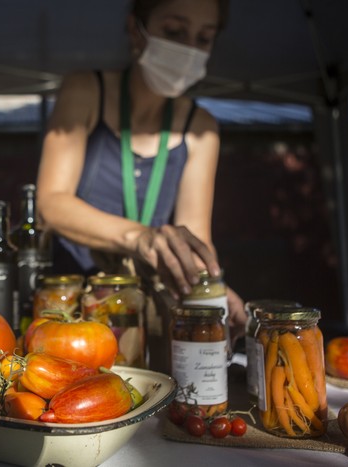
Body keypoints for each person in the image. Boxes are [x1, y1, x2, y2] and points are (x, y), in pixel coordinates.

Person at [35, 0, 246, 356]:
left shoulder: (201, 127)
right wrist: (139, 237)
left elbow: (196, 238)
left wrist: (212, 284)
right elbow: (50, 204)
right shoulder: (86, 91)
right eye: (174, 32)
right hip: (67, 313)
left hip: (142, 318)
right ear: (136, 29)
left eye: (204, 38)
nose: (188, 49)